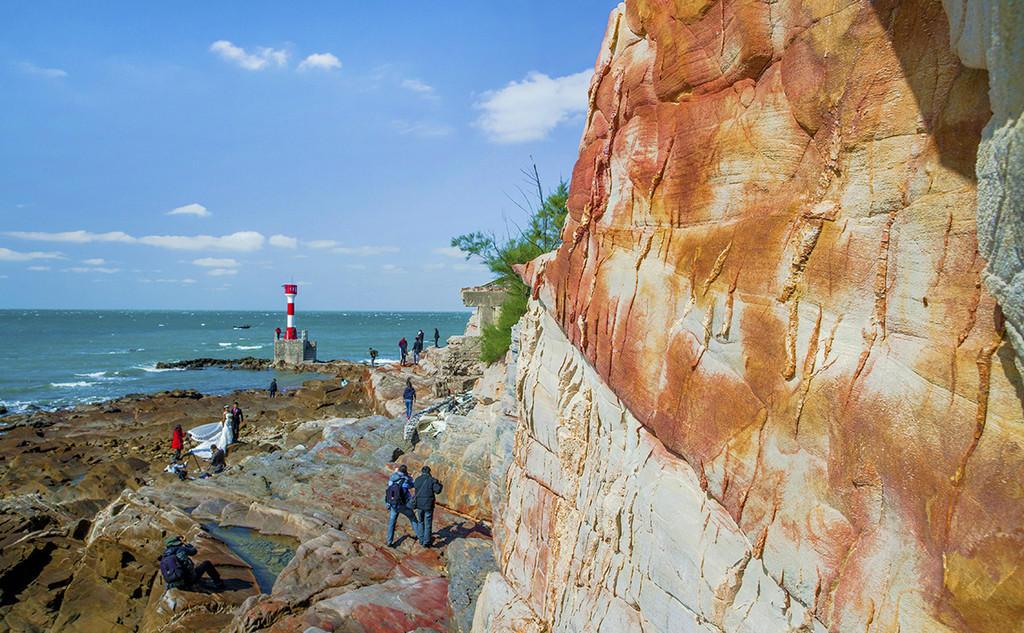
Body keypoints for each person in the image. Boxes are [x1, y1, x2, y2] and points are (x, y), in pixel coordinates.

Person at [159, 536, 224, 591]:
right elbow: (194, 551)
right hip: (188, 581)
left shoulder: (164, 556)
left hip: (176, 585)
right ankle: (219, 583)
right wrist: (186, 543)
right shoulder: (180, 549)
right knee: (207, 564)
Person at [385, 464, 420, 548]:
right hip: (404, 505)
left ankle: (389, 541)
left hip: (393, 504)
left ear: (399, 470)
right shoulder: (406, 479)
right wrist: (409, 477)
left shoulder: (393, 477)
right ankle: (420, 536)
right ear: (405, 471)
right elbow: (412, 485)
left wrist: (388, 503)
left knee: (392, 522)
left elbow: (389, 489)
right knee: (413, 519)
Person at [412, 466, 443, 547]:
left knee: (420, 522)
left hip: (419, 505)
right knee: (428, 523)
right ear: (429, 472)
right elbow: (437, 491)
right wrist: (439, 484)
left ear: (422, 472)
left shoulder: (417, 479)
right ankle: (426, 542)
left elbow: (415, 487)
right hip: (428, 505)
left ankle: (421, 539)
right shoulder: (432, 480)